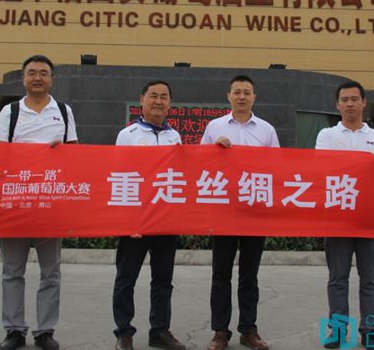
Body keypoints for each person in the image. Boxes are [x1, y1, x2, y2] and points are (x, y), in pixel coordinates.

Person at [0, 54, 78, 350]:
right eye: (32, 72)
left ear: (52, 79)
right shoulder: (10, 112)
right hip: (15, 203)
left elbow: (75, 154)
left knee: (51, 273)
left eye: (43, 73)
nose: (37, 77)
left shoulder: (63, 111)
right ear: (23, 78)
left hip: (50, 204)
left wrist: (62, 151)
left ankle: (45, 331)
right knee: (12, 271)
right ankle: (14, 330)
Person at [200, 75, 279, 350]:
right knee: (220, 274)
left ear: (254, 97)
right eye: (237, 92)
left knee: (249, 274)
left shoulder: (267, 130)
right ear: (229, 96)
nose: (242, 97)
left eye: (247, 92)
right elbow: (201, 164)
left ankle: (248, 330)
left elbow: (276, 167)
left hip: (254, 209)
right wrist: (215, 150)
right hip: (223, 209)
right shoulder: (214, 127)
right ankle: (220, 331)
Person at [315, 80, 374, 349]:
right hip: (337, 219)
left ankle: (370, 332)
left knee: (370, 280)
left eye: (354, 99)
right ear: (337, 105)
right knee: (337, 279)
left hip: (369, 220)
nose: (350, 104)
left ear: (364, 102)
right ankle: (337, 332)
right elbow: (323, 171)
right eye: (344, 100)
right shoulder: (327, 136)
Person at [112, 80, 185, 350]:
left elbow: (180, 176)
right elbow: (119, 177)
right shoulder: (127, 135)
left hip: (166, 218)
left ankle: (160, 331)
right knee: (126, 278)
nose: (158, 101)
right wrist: (126, 220)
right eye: (153, 95)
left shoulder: (174, 137)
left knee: (163, 280)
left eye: (164, 97)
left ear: (169, 104)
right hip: (136, 219)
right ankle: (124, 332)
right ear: (142, 100)